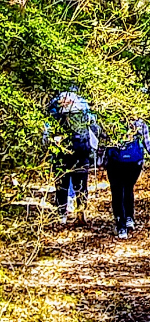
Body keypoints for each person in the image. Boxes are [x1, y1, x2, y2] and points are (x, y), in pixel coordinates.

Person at [100, 117, 150, 239]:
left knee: (117, 191)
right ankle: (129, 217)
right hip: (134, 162)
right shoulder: (139, 121)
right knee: (128, 188)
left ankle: (121, 225)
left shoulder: (110, 120)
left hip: (115, 162)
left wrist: (100, 159)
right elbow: (147, 142)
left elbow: (104, 142)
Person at [43, 88, 100, 225]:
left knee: (61, 184)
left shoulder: (54, 110)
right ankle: (80, 213)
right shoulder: (83, 109)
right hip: (81, 152)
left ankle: (62, 214)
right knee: (80, 184)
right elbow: (95, 129)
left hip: (61, 153)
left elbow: (46, 134)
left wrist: (49, 146)